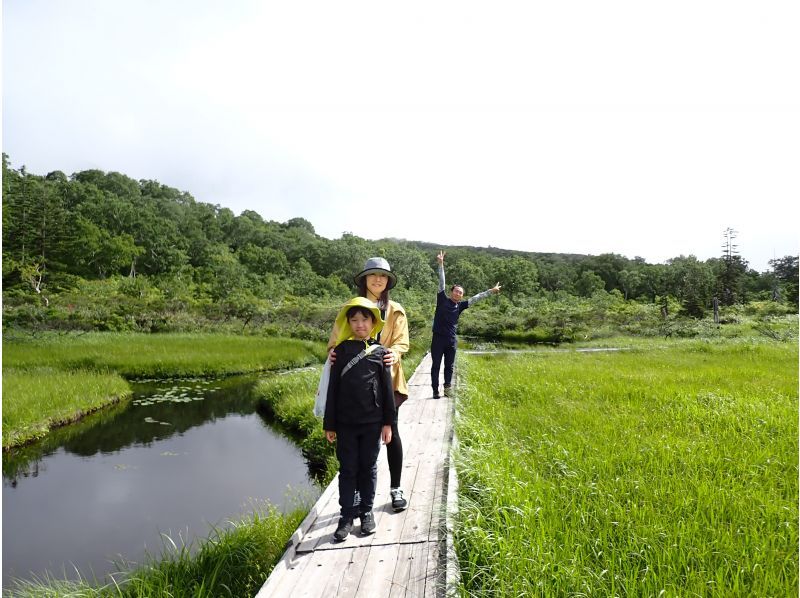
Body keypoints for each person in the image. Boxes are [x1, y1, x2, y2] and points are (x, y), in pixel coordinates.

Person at [327, 257, 410, 512]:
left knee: (391, 432)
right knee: (353, 439)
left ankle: (396, 488)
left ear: (388, 282)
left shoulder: (395, 309)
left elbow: (402, 342)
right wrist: (332, 352)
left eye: (383, 276)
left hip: (386, 381)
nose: (378, 280)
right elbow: (335, 340)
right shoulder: (351, 308)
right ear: (364, 280)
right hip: (355, 387)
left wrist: (394, 353)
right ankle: (353, 494)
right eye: (373, 275)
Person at [324, 296, 396, 541]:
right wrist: (329, 424)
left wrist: (388, 424)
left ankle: (366, 512)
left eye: (364, 320)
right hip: (345, 424)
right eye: (354, 320)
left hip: (372, 423)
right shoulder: (340, 352)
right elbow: (332, 389)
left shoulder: (381, 353)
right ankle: (346, 516)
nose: (359, 325)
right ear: (348, 323)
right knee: (348, 469)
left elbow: (387, 392)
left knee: (369, 467)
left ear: (373, 322)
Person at [430, 250, 501, 398]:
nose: (458, 294)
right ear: (451, 292)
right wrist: (441, 264)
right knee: (436, 366)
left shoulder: (460, 306)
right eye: (456, 291)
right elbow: (441, 281)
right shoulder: (442, 299)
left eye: (460, 292)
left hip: (451, 340)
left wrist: (491, 291)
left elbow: (476, 298)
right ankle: (435, 390)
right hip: (438, 339)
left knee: (449, 366)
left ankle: (447, 389)